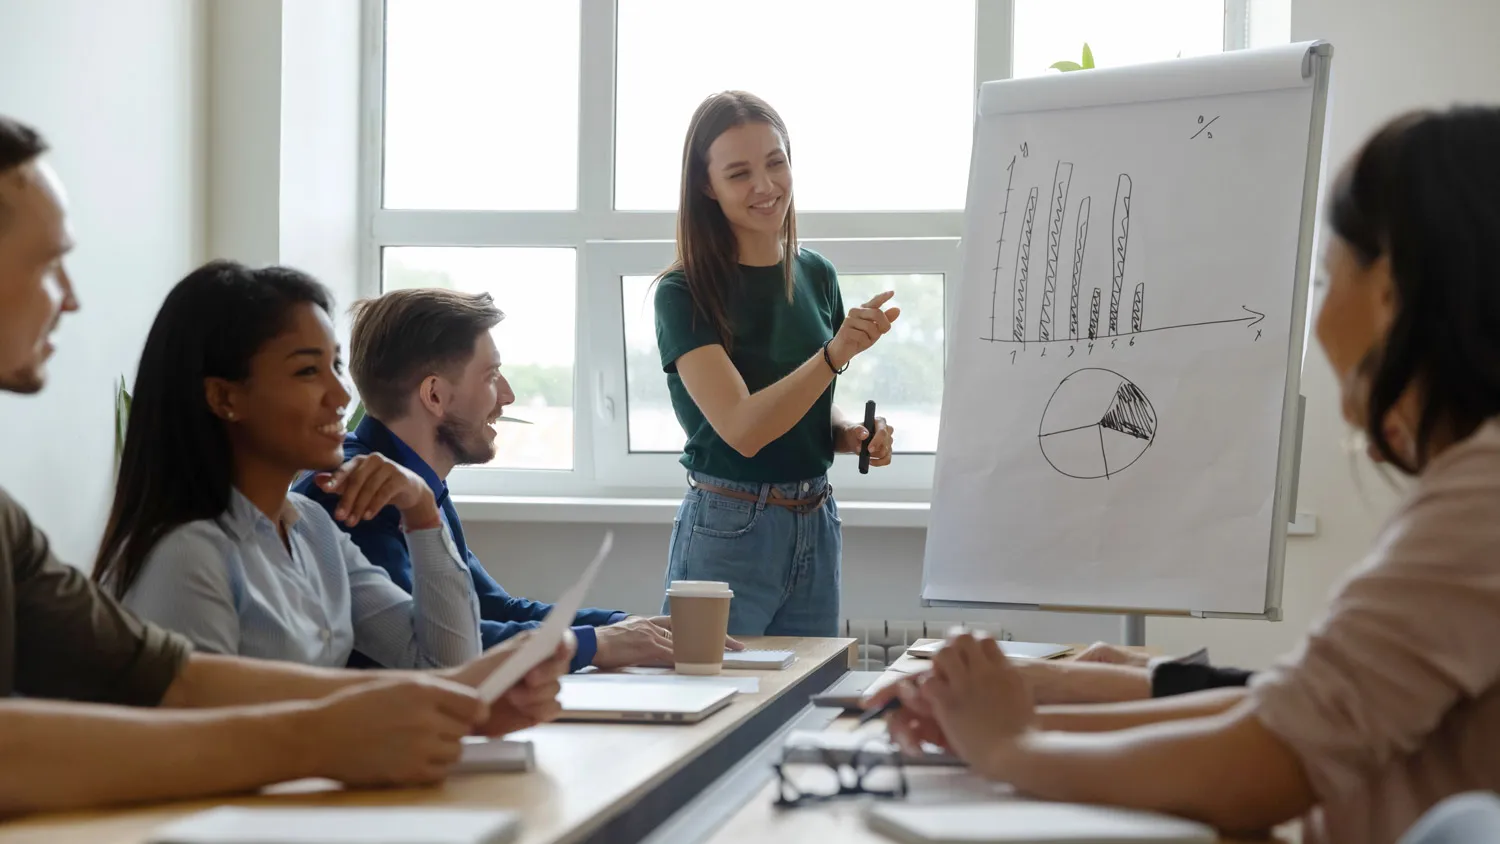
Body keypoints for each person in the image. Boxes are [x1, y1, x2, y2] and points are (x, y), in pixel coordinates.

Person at [868, 106, 1500, 844]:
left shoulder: (1482, 493)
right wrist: (1039, 709)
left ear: (1391, 290)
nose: (1320, 321)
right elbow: (1282, 710)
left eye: (1329, 281)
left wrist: (1016, 747)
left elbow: (1268, 759)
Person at [0, 114, 569, 814]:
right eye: (46, 262)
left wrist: (450, 700)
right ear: (224, 397)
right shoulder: (189, 550)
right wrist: (324, 736)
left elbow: (175, 679)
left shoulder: (9, 527)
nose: (72, 297)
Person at [293, 289, 739, 671]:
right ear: (434, 395)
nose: (506, 396)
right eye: (491, 376)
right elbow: (440, 643)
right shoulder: (355, 488)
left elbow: (488, 608)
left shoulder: (414, 479)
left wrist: (623, 626)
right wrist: (594, 644)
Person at [93, 261, 491, 671]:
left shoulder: (314, 529)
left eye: (336, 366)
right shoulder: (188, 554)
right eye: (307, 371)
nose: (340, 395)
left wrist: (421, 507)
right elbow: (209, 731)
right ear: (225, 398)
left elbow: (448, 664)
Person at [653, 91, 898, 637]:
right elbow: (743, 428)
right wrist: (834, 354)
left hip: (816, 517)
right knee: (715, 701)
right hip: (729, 526)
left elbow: (804, 408)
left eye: (775, 162)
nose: (765, 186)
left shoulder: (816, 275)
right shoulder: (682, 291)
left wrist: (851, 434)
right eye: (739, 173)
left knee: (806, 700)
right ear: (705, 187)